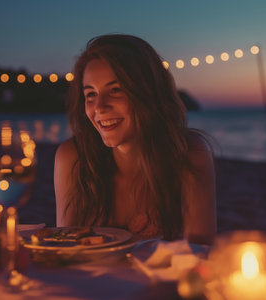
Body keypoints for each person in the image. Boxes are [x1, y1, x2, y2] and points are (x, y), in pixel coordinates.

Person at [54, 34, 216, 243]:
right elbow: (65, 252)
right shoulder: (73, 158)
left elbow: (200, 255)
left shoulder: (188, 154)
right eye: (91, 94)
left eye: (115, 90)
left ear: (148, 93)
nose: (99, 107)